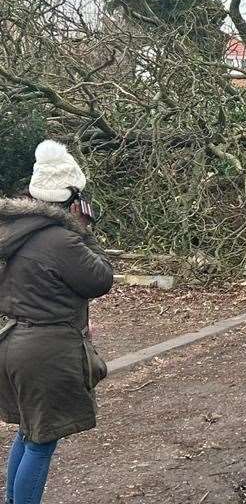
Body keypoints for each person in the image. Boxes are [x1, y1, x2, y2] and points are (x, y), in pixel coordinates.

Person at [0, 140, 113, 504]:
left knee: (30, 434)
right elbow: (100, 279)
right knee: (41, 442)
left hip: (13, 339)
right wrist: (84, 233)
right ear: (70, 197)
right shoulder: (61, 239)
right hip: (46, 350)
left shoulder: (13, 230)